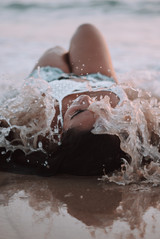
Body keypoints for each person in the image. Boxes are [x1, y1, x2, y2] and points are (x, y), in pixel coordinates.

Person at [0, 23, 131, 176]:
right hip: (98, 78)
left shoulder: (42, 131)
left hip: (49, 79)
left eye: (78, 112)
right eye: (100, 109)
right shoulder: (125, 117)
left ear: (62, 134)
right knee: (86, 29)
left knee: (55, 51)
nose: (85, 99)